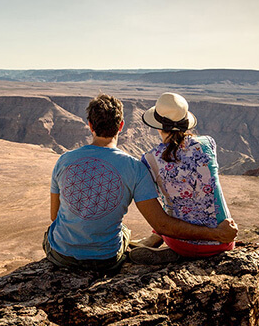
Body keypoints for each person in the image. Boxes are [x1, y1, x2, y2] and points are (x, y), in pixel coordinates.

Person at [43, 93, 238, 273]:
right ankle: (152, 243)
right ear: (121, 126)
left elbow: (54, 216)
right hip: (107, 259)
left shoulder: (64, 160)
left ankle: (162, 245)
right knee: (127, 230)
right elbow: (161, 222)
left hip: (62, 256)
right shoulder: (138, 167)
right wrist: (218, 234)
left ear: (90, 125)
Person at [129, 92, 236, 264]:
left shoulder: (150, 159)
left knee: (170, 204)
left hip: (180, 241)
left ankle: (174, 251)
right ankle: (169, 247)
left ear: (158, 126)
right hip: (223, 240)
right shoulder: (208, 143)